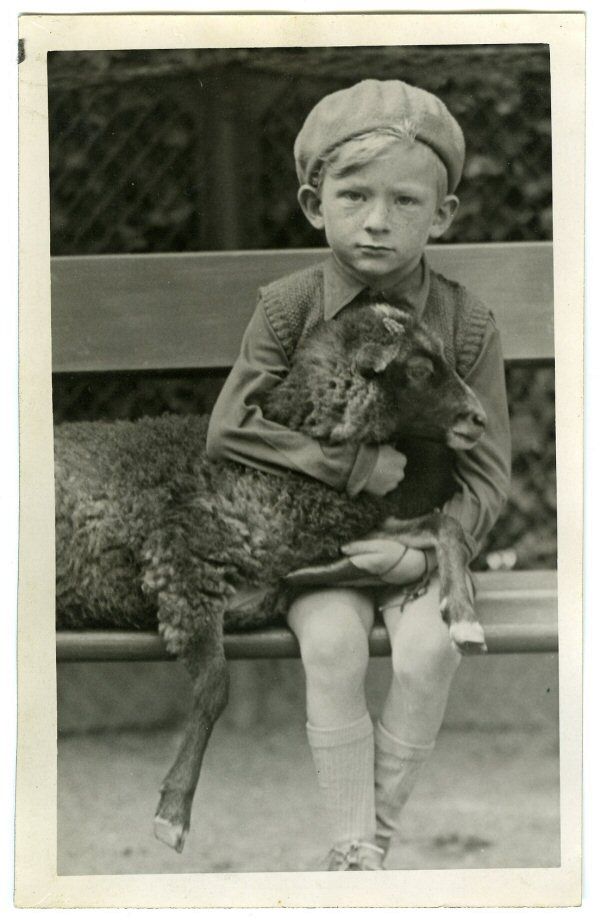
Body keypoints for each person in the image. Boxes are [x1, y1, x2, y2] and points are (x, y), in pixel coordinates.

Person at [206, 79, 511, 870]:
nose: (378, 219)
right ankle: (353, 845)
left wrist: (424, 553)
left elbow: (486, 474)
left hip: (416, 545)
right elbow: (230, 427)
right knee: (333, 645)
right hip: (323, 550)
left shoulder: (465, 322)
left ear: (441, 215)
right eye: (354, 195)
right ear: (315, 204)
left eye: (407, 202)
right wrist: (351, 465)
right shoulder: (287, 309)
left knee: (429, 651)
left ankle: (371, 836)